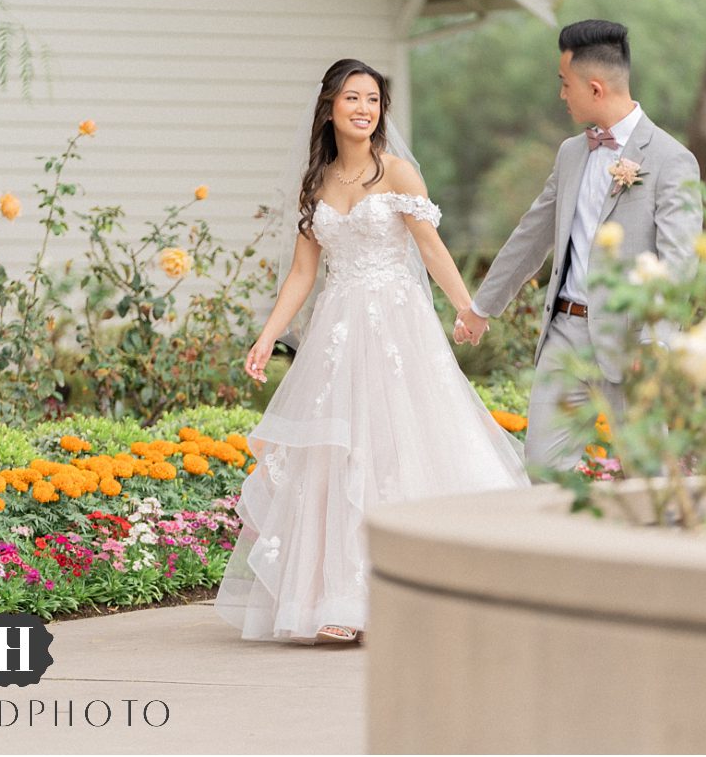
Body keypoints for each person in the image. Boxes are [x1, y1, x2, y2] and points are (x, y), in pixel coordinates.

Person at [213, 59, 530, 645]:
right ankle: (341, 599)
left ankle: (434, 589)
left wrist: (467, 308)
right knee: (338, 456)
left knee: (406, 445)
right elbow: (302, 273)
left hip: (397, 329)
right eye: (353, 98)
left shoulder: (399, 173)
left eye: (374, 101)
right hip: (337, 332)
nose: (364, 109)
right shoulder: (317, 184)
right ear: (330, 105)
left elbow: (430, 248)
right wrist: (267, 335)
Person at [454, 19, 703, 474]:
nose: (561, 95)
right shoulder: (571, 153)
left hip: (632, 342)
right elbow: (532, 232)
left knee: (649, 478)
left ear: (594, 88)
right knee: (544, 469)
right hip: (565, 335)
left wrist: (654, 342)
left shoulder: (671, 160)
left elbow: (679, 262)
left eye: (564, 84)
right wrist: (481, 307)